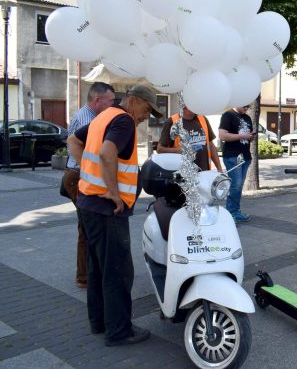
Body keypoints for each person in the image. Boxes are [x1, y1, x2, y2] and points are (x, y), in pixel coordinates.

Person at [67, 85, 162, 346]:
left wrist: (90, 172)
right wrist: (113, 192)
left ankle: (99, 323)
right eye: (145, 109)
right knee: (118, 271)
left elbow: (73, 141)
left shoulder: (103, 117)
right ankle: (119, 331)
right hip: (108, 210)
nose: (146, 116)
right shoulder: (123, 120)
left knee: (97, 268)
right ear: (133, 101)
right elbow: (106, 153)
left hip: (88, 204)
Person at [62, 82, 115, 289]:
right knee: (87, 227)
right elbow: (74, 144)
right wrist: (90, 168)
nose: (113, 105)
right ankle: (85, 277)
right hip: (77, 176)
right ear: (97, 100)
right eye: (110, 101)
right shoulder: (88, 119)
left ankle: (87, 274)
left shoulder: (93, 117)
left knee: (88, 226)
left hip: (77, 175)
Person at [218, 104, 256, 222]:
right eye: (245, 106)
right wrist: (244, 135)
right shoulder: (228, 115)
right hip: (232, 156)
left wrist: (250, 137)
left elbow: (246, 136)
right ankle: (230, 213)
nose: (247, 108)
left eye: (248, 106)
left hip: (245, 156)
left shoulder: (247, 117)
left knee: (238, 186)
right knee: (235, 185)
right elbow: (222, 135)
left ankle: (235, 211)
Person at [157, 106, 222, 171]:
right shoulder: (172, 121)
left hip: (204, 173)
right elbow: (160, 149)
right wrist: (177, 150)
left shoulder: (203, 119)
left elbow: (210, 145)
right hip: (183, 176)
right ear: (185, 104)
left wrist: (219, 168)